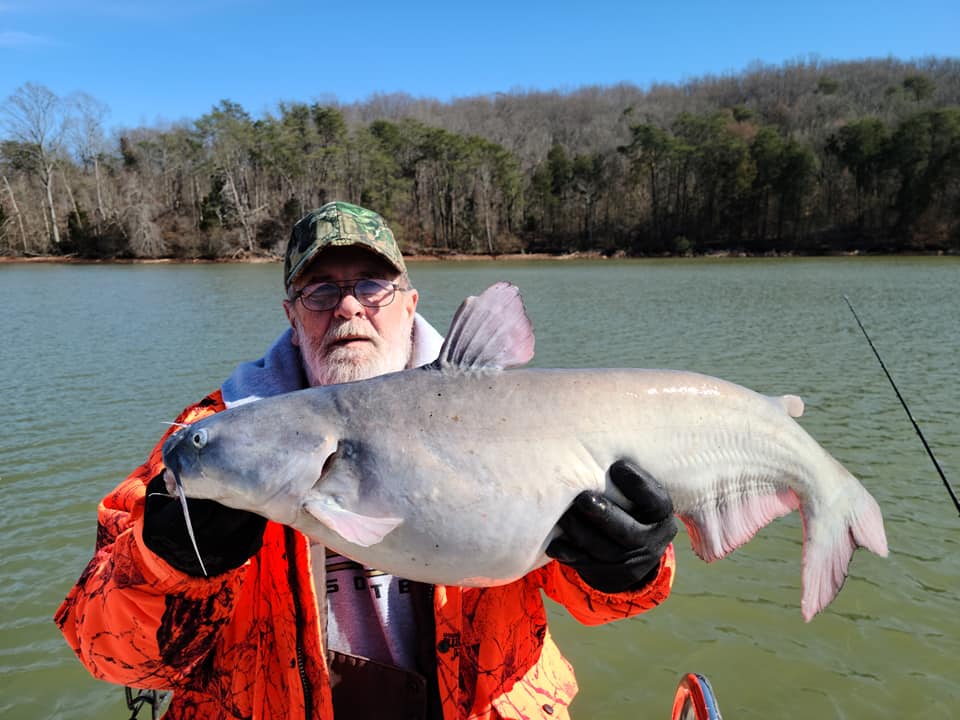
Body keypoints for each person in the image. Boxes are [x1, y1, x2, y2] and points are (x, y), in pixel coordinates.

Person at [56, 201, 677, 720]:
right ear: (292, 316)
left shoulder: (511, 410)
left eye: (372, 287)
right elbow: (111, 655)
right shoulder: (210, 439)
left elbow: (597, 602)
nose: (348, 307)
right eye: (320, 290)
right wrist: (167, 566)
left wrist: (627, 569)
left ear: (410, 304)